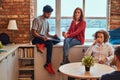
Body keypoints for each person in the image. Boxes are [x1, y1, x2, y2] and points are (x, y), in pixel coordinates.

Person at [31, 5, 60, 74]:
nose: (49, 15)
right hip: (36, 38)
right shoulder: (37, 20)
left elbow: (47, 34)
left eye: (50, 13)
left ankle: (42, 45)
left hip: (43, 38)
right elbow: (33, 33)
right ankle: (48, 64)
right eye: (48, 13)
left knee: (58, 39)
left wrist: (53, 36)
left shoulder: (47, 22)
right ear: (43, 12)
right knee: (49, 43)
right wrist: (42, 37)